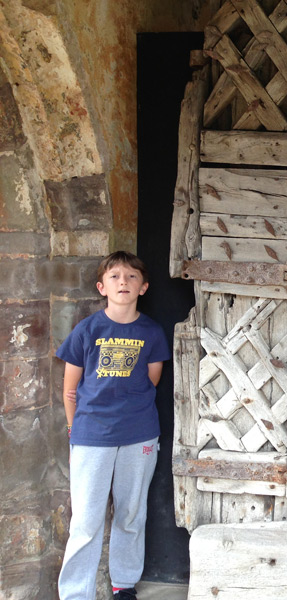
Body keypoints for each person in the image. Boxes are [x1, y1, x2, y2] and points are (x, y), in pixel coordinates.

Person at [56, 251, 170, 600]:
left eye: (132, 276)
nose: (124, 282)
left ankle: (123, 585)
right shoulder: (87, 330)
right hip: (92, 436)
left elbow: (150, 382)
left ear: (144, 287)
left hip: (138, 436)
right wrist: (77, 431)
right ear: (101, 286)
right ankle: (77, 593)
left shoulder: (151, 332)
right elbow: (70, 390)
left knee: (130, 514)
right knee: (86, 521)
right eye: (116, 276)